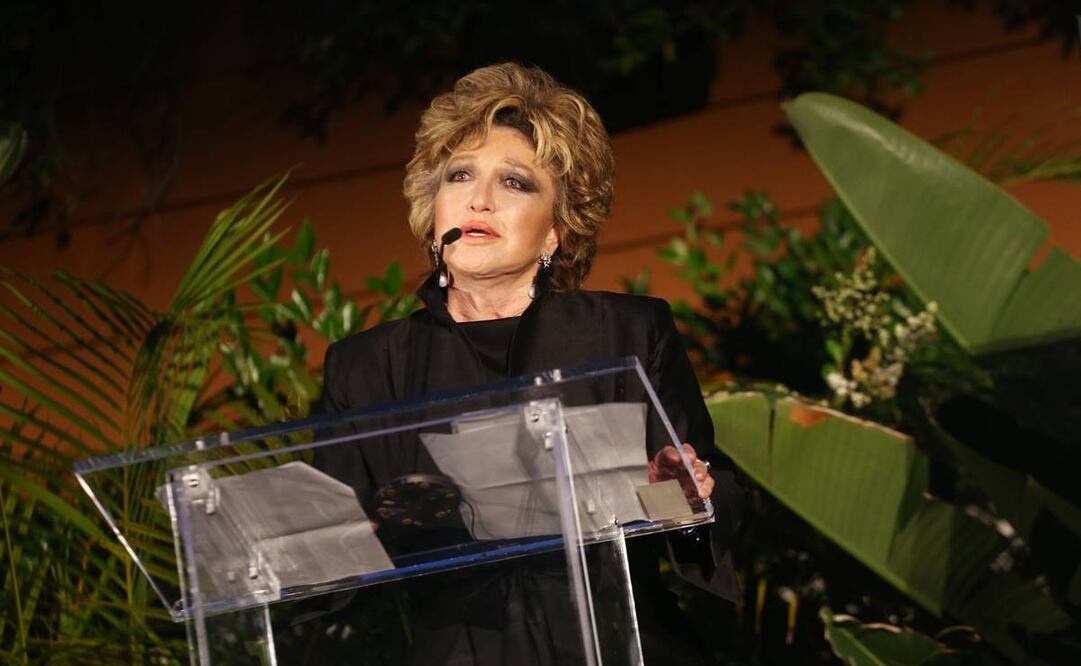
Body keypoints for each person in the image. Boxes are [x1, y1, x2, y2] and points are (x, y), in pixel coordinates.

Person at [315, 62, 743, 665]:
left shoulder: (626, 332)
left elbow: (701, 510)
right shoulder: (366, 368)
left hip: (621, 641)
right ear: (432, 214)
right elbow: (326, 567)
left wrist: (682, 498)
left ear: (555, 232)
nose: (480, 198)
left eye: (515, 183)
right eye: (460, 175)